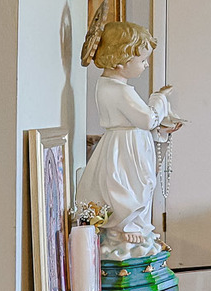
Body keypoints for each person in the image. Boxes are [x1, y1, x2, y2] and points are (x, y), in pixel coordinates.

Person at [77, 13, 179, 260]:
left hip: (128, 141)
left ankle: (131, 226)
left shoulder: (108, 86)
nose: (145, 65)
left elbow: (140, 121)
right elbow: (146, 119)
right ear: (121, 60)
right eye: (142, 59)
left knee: (137, 182)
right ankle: (126, 228)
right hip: (126, 146)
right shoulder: (120, 90)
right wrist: (159, 98)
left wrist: (160, 130)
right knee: (128, 183)